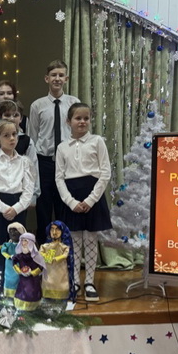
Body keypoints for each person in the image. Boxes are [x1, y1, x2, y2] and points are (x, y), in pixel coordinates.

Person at [55, 102, 112, 302]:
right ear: (68, 121)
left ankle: (89, 282)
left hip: (92, 197)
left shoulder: (97, 141)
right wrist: (71, 202)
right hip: (71, 197)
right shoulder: (62, 147)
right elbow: (59, 178)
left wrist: (91, 199)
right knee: (74, 241)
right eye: (78, 118)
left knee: (90, 239)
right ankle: (75, 281)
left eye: (86, 118)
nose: (82, 122)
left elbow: (105, 173)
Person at [27, 60, 80, 244]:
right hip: (45, 162)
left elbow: (78, 133)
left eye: (61, 75)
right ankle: (43, 249)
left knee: (64, 206)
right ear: (46, 78)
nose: (57, 78)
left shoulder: (74, 103)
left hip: (67, 162)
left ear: (66, 78)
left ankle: (64, 249)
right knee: (43, 209)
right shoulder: (37, 105)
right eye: (53, 75)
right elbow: (33, 136)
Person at [0, 120, 36, 275]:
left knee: (19, 244)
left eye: (14, 134)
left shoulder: (24, 162)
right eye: (6, 136)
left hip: (18, 205)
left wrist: (16, 208)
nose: (12, 138)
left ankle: (19, 279)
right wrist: (4, 208)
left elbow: (28, 189)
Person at [40, 221, 75, 302]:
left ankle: (61, 298)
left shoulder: (64, 246)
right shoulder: (46, 246)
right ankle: (48, 297)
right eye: (52, 229)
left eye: (57, 229)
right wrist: (46, 257)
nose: (54, 232)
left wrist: (56, 258)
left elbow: (66, 254)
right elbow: (40, 253)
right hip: (48, 269)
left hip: (60, 269)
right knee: (48, 283)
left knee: (60, 283)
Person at [12, 232, 45, 311]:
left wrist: (32, 273)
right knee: (22, 292)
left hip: (33, 280)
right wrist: (19, 270)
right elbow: (14, 260)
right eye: (22, 241)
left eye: (25, 241)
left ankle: (33, 308)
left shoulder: (36, 256)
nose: (23, 243)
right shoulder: (20, 256)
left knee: (32, 291)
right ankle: (21, 308)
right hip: (23, 280)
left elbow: (41, 266)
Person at [1, 222, 26, 298]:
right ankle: (9, 297)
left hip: (20, 267)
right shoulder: (7, 245)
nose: (12, 233)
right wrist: (9, 257)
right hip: (9, 268)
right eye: (11, 231)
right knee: (9, 281)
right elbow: (3, 252)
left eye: (15, 231)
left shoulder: (24, 245)